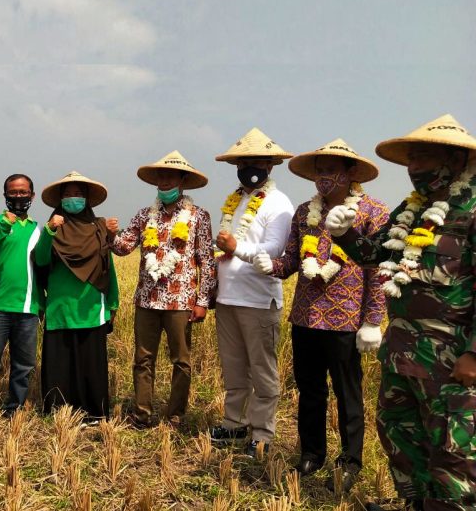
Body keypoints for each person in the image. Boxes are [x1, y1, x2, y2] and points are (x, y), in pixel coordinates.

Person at [326, 115, 476, 511]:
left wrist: (474, 352)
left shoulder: (473, 207)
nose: (414, 168)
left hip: (452, 358)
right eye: (411, 159)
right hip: (402, 351)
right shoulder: (410, 210)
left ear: (455, 158)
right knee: (400, 433)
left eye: (424, 157)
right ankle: (415, 504)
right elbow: (373, 253)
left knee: (453, 449)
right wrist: (344, 233)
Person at [252, 139, 389, 491]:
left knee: (348, 393)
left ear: (350, 173)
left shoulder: (373, 212)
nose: (323, 177)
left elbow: (378, 272)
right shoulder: (304, 213)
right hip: (306, 317)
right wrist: (273, 265)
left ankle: (350, 461)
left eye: (331, 170)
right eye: (319, 171)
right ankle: (311, 454)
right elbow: (294, 262)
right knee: (310, 391)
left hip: (346, 321)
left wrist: (373, 320)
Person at [109, 151, 216, 429]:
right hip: (147, 299)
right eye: (161, 176)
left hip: (181, 301)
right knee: (142, 359)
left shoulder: (198, 217)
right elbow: (123, 248)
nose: (165, 180)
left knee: (181, 361)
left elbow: (206, 260)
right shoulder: (145, 216)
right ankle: (142, 414)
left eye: (171, 176)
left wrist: (202, 300)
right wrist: (110, 234)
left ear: (183, 181)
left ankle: (175, 415)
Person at [211, 127, 295, 457]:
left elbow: (276, 249)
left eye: (257, 161)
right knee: (233, 368)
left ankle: (262, 433)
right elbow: (227, 246)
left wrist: (236, 246)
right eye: (244, 162)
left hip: (259, 300)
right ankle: (234, 424)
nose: (250, 167)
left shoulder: (279, 203)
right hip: (229, 297)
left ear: (271, 165)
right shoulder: (235, 199)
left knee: (262, 370)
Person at [36, 171, 119, 420]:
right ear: (60, 200)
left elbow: (108, 267)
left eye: (79, 194)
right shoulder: (52, 228)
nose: (74, 198)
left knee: (91, 365)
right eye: (69, 194)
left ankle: (93, 413)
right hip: (60, 307)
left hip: (91, 306)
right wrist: (50, 231)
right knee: (60, 364)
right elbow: (40, 260)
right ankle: (59, 413)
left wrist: (112, 302)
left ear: (87, 200)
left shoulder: (100, 227)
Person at [0, 174, 44, 420]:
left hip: (27, 307)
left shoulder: (38, 230)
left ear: (32, 196)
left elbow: (43, 267)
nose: (18, 197)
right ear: (5, 195)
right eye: (13, 192)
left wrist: (41, 304)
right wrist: (6, 224)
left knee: (23, 365)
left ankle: (14, 409)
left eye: (23, 192)